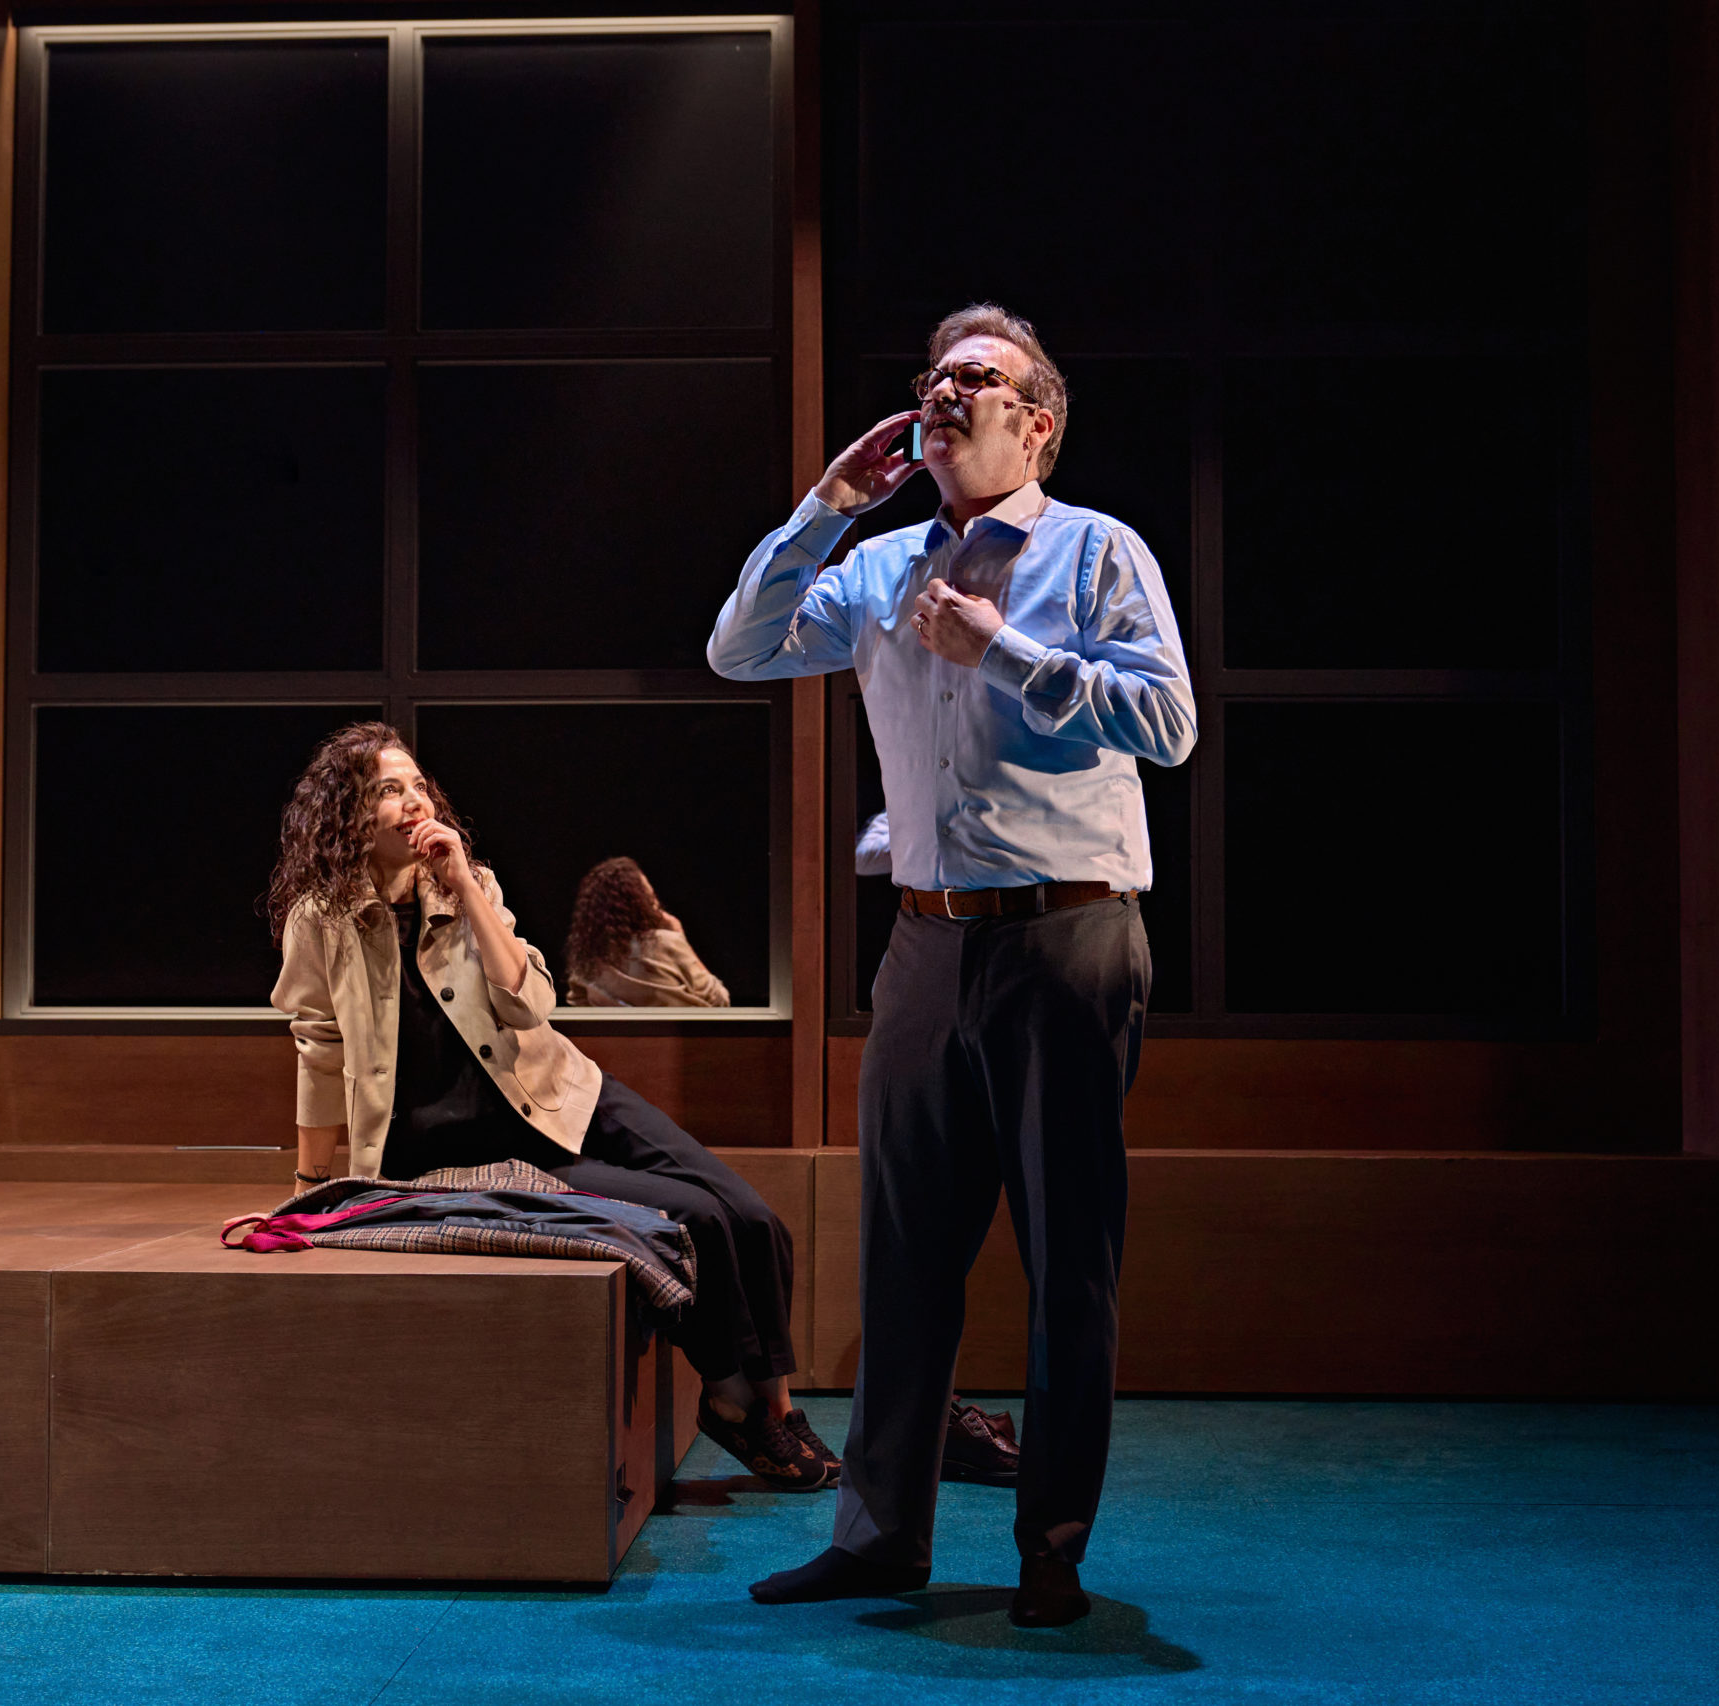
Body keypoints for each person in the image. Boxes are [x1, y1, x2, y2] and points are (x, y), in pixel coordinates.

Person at [708, 304, 1196, 1626]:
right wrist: (825, 505)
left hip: (1067, 935)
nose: (940, 388)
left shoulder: (1097, 550)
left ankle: (1052, 1549)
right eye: (932, 373)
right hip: (924, 943)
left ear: (1036, 423)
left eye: (975, 375)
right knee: (904, 1256)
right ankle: (880, 1540)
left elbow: (1168, 722)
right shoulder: (876, 566)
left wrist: (1006, 653)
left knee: (1066, 1258)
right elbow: (738, 648)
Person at [264, 721, 832, 1488]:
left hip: (564, 1091)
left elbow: (530, 1005)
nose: (413, 801)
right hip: (483, 1146)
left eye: (418, 786)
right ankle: (732, 1399)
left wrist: (466, 887)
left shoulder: (471, 887)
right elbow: (319, 1048)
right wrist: (310, 1187)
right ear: (348, 815)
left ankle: (776, 1407)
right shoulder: (321, 920)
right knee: (695, 1217)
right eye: (388, 790)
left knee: (753, 1214)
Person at [565, 856, 731, 1008]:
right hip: (676, 1032)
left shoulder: (588, 959)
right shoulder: (665, 943)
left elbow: (579, 1005)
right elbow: (719, 1000)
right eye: (651, 898)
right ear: (642, 902)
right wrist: (680, 936)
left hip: (612, 1033)